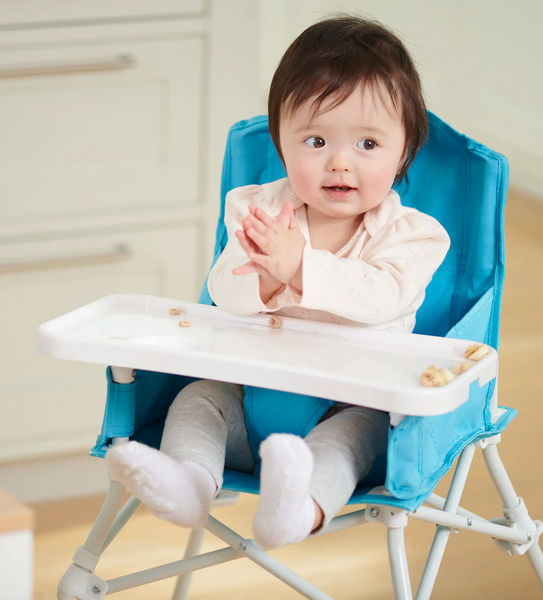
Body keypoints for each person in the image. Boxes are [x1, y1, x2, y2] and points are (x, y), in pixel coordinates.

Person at [106, 14, 451, 550]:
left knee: (354, 436)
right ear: (282, 144)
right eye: (315, 140)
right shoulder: (257, 210)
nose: (339, 162)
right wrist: (264, 282)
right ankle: (190, 483)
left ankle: (298, 511)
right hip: (249, 398)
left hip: (348, 406)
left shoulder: (415, 236)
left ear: (405, 149)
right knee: (197, 399)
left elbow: (383, 296)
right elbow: (223, 290)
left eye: (367, 144)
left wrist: (300, 268)